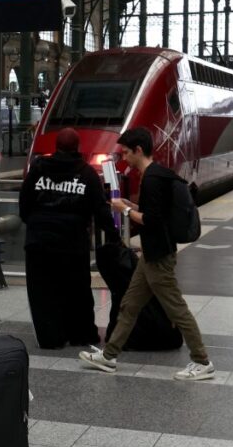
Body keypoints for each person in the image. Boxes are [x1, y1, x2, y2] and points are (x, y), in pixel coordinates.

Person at [79, 127, 216, 381]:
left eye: (127, 153)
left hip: (159, 258)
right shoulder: (159, 174)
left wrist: (125, 210)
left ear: (138, 150)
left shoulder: (151, 178)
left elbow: (152, 221)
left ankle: (202, 361)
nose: (125, 159)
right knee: (130, 305)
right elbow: (158, 213)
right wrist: (132, 206)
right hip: (152, 255)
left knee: (177, 310)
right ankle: (109, 356)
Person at [19, 128, 117, 349]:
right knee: (77, 290)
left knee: (43, 292)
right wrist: (113, 235)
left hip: (39, 242)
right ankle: (81, 334)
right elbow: (100, 210)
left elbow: (24, 204)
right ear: (77, 148)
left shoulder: (38, 169)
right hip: (73, 242)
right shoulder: (87, 173)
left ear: (56, 147)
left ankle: (50, 337)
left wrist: (34, 224)